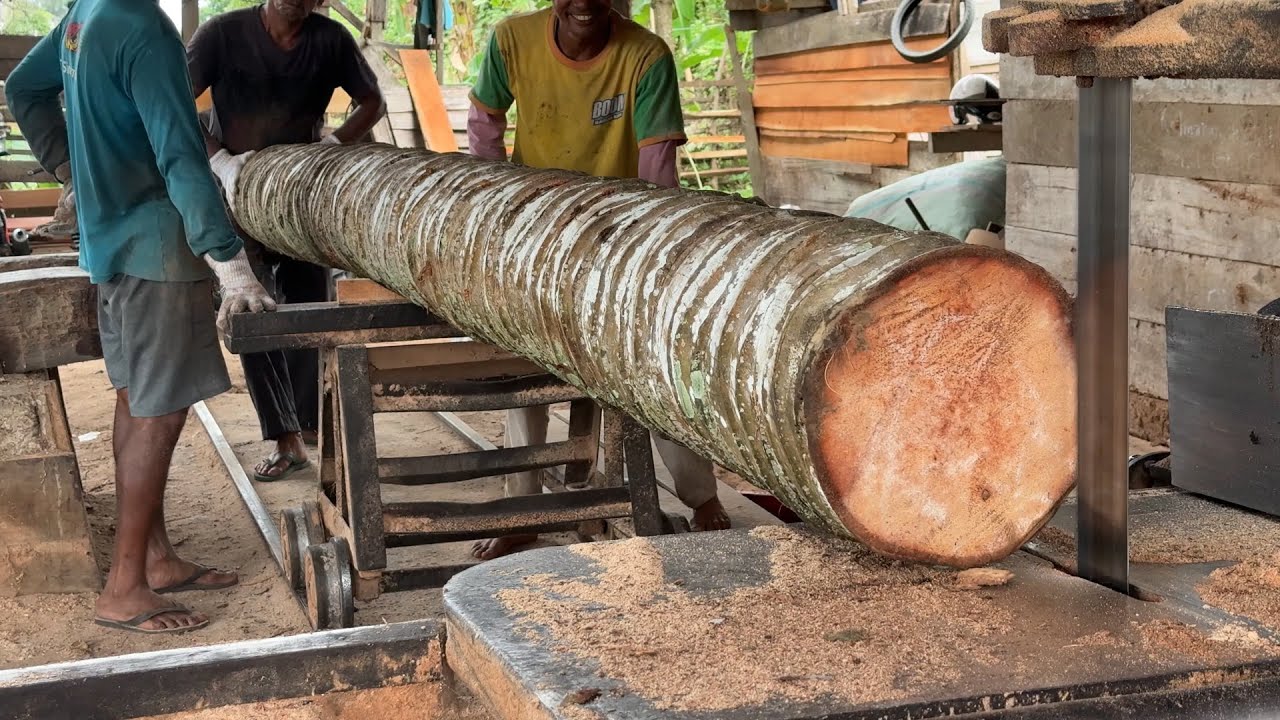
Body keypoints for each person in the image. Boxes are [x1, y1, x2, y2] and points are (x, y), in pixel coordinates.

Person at [7, 0, 275, 633]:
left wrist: (72, 169)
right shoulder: (146, 30)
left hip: (108, 241)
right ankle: (124, 588)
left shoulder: (86, 13)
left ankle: (155, 561)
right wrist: (228, 258)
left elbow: (24, 88)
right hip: (158, 244)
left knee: (137, 399)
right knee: (157, 413)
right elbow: (181, 156)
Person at [466, 0, 731, 560]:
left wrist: (656, 245)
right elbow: (485, 124)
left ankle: (702, 499)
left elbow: (656, 162)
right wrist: (492, 204)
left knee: (650, 356)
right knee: (528, 365)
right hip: (534, 229)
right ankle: (524, 511)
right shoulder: (511, 40)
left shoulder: (645, 55)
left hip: (619, 236)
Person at [187, 0, 386, 482]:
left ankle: (311, 426)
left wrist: (334, 147)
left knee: (308, 306)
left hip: (299, 194)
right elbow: (174, 103)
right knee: (252, 308)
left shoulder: (329, 39)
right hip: (236, 186)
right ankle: (285, 437)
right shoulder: (221, 33)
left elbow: (372, 102)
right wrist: (219, 161)